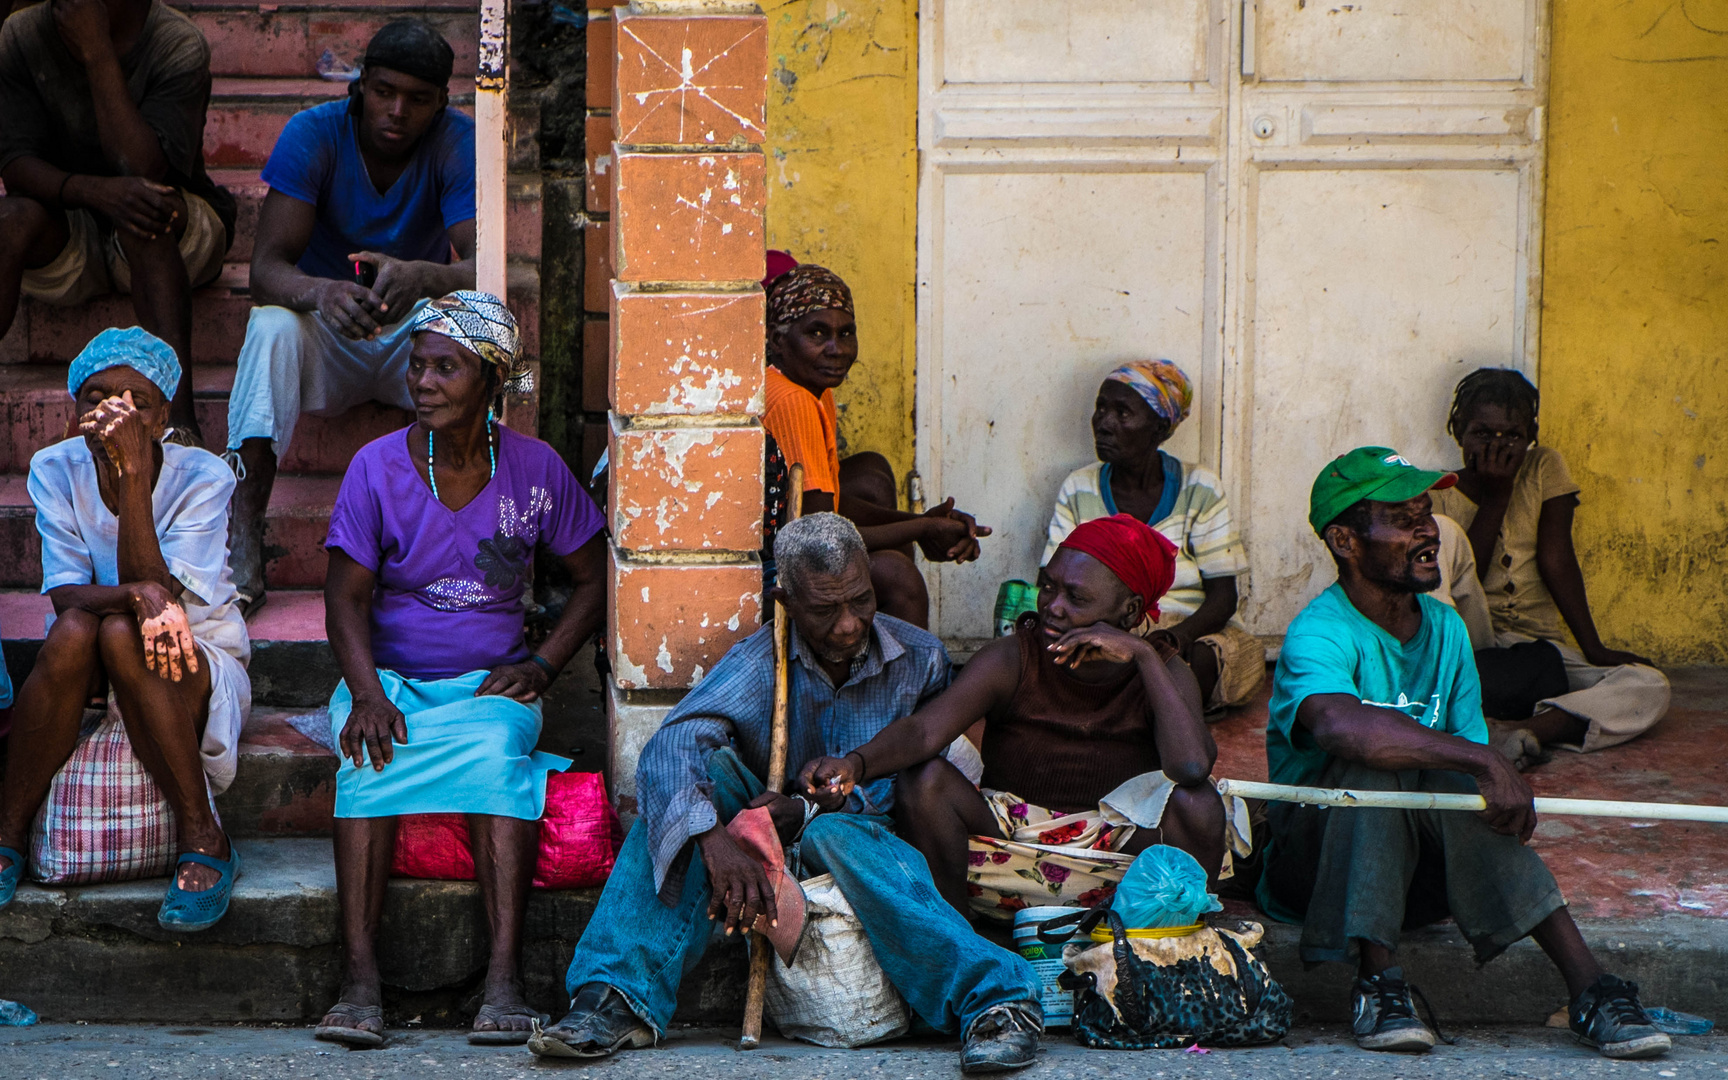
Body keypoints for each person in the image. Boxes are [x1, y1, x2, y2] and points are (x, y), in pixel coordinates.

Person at [533, 514, 1045, 1074]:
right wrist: (714, 841)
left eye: (860, 600)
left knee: (833, 832)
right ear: (787, 599)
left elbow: (910, 785)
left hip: (862, 843)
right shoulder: (760, 663)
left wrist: (806, 809)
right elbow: (670, 747)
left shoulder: (918, 660)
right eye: (826, 610)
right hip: (758, 845)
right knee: (702, 780)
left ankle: (997, 999)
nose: (850, 625)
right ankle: (615, 996)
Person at [1257, 445, 1671, 1059]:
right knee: (1375, 758)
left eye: (1426, 511)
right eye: (1403, 519)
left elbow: (1465, 770)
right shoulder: (1320, 631)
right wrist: (1486, 760)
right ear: (1345, 541)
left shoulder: (1445, 628)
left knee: (1451, 781)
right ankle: (1378, 981)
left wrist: (1483, 775)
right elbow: (1343, 728)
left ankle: (1591, 989)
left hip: (1418, 876)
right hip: (1315, 868)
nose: (1428, 530)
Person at [314, 291, 606, 1048]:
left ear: (490, 379)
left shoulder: (535, 470)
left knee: (491, 750)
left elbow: (594, 575)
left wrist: (543, 665)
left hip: (490, 686)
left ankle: (504, 979)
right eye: (417, 365)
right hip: (393, 685)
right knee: (367, 758)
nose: (424, 381)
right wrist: (369, 696)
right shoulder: (375, 468)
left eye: (446, 367)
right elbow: (343, 599)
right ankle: (359, 982)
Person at [802, 514, 1250, 924]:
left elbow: (1191, 767)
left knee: (1199, 802)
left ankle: (1177, 946)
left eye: (1076, 597)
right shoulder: (1013, 657)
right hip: (1008, 845)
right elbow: (924, 731)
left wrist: (1143, 656)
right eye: (1049, 586)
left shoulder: (1165, 670)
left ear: (1130, 612)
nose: (1054, 606)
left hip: (1117, 860)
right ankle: (960, 944)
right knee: (924, 779)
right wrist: (855, 765)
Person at [225, 18, 477, 615]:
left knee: (475, 321)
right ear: (360, 86)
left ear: (441, 102)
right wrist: (321, 293)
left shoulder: (456, 140)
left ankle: (473, 536)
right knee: (268, 323)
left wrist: (426, 275)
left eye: (418, 100)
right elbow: (266, 270)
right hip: (328, 337)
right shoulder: (313, 134)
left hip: (413, 344)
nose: (397, 111)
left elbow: (497, 270)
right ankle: (242, 527)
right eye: (384, 91)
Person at [0, 327, 250, 929]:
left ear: (164, 414)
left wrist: (135, 476)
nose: (114, 412)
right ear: (75, 408)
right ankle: (6, 834)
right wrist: (136, 593)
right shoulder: (54, 466)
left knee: (122, 634)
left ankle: (205, 834)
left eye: (136, 401)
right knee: (80, 633)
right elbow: (66, 597)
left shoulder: (204, 476)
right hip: (93, 637)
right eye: (96, 397)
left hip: (193, 651)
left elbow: (167, 610)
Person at [0, 0, 235, 444]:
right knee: (9, 219)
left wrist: (97, 52)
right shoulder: (21, 34)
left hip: (170, 231)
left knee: (145, 210)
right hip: (68, 230)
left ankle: (179, 421)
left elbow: (142, 166)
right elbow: (15, 166)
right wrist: (94, 192)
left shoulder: (177, 43)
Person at [1429, 368, 1669, 760]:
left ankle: (1520, 730)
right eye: (1482, 434)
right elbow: (1462, 574)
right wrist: (1496, 496)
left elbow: (1557, 559)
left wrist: (1594, 647)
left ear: (1531, 435)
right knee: (1441, 533)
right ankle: (1454, 700)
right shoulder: (1436, 491)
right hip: (1471, 640)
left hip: (1536, 647)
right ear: (1457, 430)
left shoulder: (1543, 467)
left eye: (1513, 436)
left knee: (1649, 686)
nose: (1498, 446)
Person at [762, 262, 989, 628]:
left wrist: (923, 522)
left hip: (798, 540)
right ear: (777, 341)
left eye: (846, 333)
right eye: (817, 333)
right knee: (895, 576)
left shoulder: (813, 389)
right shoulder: (791, 400)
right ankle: (907, 680)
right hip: (771, 569)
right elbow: (822, 536)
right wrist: (922, 530)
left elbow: (829, 502)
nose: (836, 349)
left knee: (872, 472)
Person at [1044, 360, 1263, 712]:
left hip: (1184, 628)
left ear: (1160, 428)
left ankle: (1129, 708)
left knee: (1228, 656)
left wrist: (1176, 637)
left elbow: (1223, 596)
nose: (1104, 423)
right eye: (1101, 407)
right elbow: (1051, 578)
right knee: (1091, 652)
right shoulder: (1079, 487)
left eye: (1122, 412)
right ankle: (1157, 710)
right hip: (1106, 622)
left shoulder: (1199, 487)